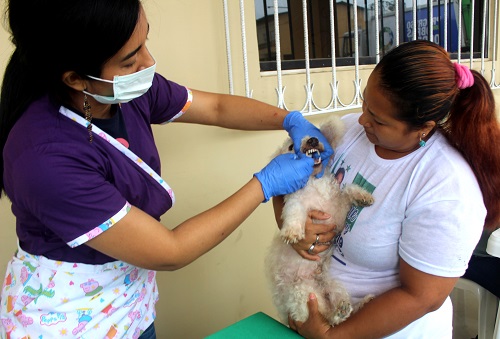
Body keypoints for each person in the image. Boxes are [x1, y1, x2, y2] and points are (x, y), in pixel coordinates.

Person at [0, 1, 335, 338]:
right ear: (75, 78)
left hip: (130, 303)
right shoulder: (44, 158)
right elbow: (170, 250)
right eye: (130, 60)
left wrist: (291, 120)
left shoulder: (123, 91)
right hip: (67, 318)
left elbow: (217, 108)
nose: (148, 62)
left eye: (145, 42)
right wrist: (264, 185)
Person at [273, 40, 500, 338]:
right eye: (366, 102)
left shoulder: (447, 187)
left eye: (378, 119)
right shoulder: (349, 130)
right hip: (314, 311)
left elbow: (422, 296)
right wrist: (297, 235)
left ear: (424, 127)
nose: (363, 119)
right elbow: (289, 185)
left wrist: (331, 336)